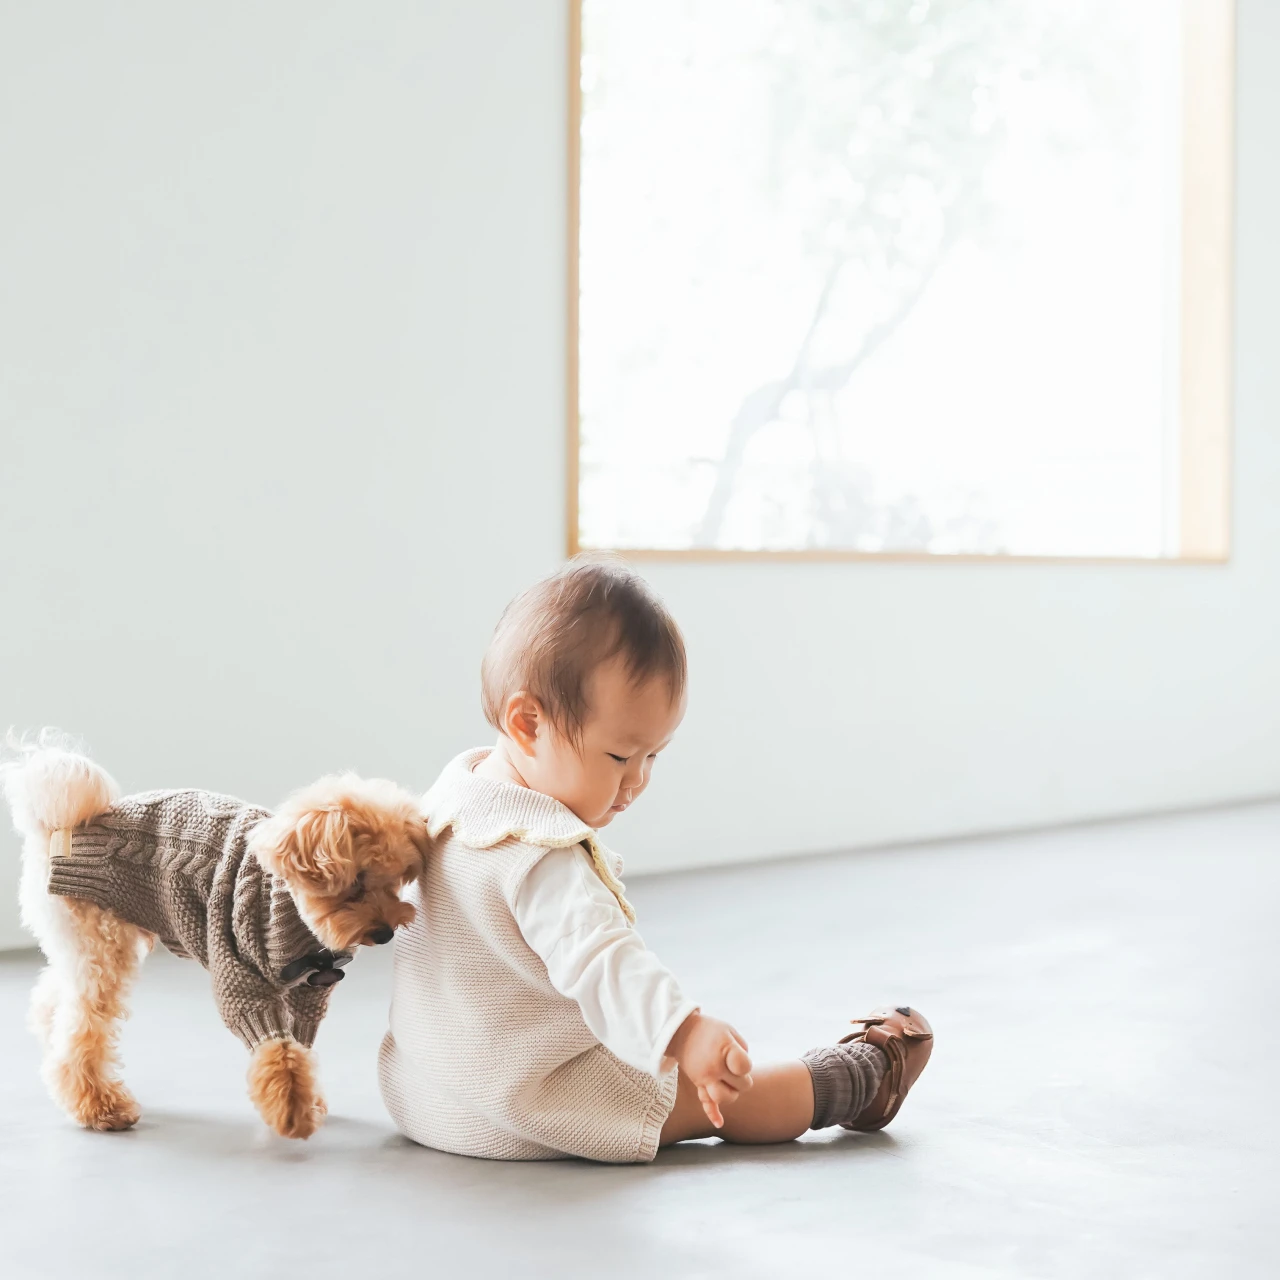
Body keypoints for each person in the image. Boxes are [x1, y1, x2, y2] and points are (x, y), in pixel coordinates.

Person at [378, 555, 933, 1162]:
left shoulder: (446, 800)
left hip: (427, 1091)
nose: (637, 780)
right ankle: (854, 1084)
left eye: (654, 757)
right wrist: (684, 1033)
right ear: (528, 722)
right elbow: (604, 962)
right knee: (725, 1099)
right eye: (620, 756)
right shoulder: (543, 859)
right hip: (533, 1107)